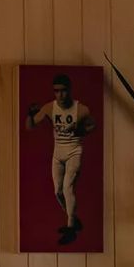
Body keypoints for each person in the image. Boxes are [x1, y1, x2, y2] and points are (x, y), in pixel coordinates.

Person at [27, 72, 96, 246]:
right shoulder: (50, 108)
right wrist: (30, 113)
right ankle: (73, 218)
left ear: (70, 90)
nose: (60, 95)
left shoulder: (81, 109)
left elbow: (92, 125)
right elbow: (30, 125)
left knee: (67, 188)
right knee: (58, 191)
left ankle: (71, 228)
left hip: (74, 151)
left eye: (64, 90)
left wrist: (80, 130)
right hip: (58, 154)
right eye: (56, 91)